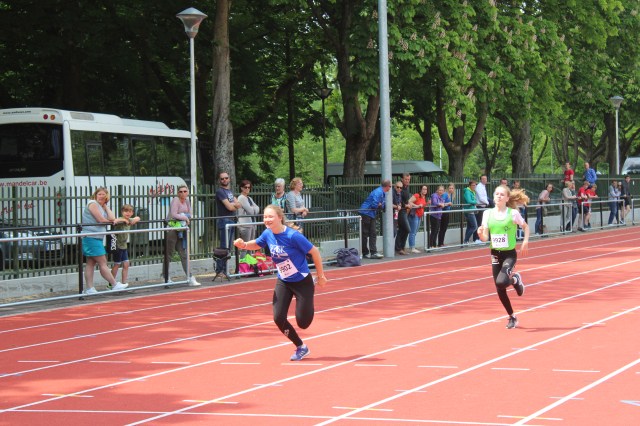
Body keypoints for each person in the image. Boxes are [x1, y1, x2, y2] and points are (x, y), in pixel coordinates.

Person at [233, 204, 327, 361]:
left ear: (279, 218)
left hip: (302, 281)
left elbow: (314, 252)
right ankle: (301, 347)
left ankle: (307, 300)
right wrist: (244, 245)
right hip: (284, 280)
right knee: (278, 318)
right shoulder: (267, 233)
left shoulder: (292, 236)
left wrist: (321, 275)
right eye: (265, 217)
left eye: (270, 216)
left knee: (303, 323)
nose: (267, 220)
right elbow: (257, 243)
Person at [477, 185, 530, 329]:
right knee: (499, 287)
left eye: (502, 194)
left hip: (509, 254)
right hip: (495, 253)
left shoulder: (513, 213)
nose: (498, 196)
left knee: (501, 281)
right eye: (496, 194)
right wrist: (480, 234)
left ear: (507, 198)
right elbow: (485, 237)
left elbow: (525, 227)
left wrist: (525, 242)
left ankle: (515, 279)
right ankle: (512, 317)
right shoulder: (487, 214)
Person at [81, 187, 128, 294]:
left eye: (104, 195)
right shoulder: (92, 203)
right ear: (95, 195)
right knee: (103, 262)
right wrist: (113, 222)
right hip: (91, 237)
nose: (101, 196)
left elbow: (112, 217)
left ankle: (89, 289)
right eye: (99, 194)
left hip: (96, 237)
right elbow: (101, 220)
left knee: (91, 263)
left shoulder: (102, 207)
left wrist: (105, 206)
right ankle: (114, 284)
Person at [166, 184, 200, 286]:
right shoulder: (175, 200)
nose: (183, 193)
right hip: (172, 229)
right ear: (178, 193)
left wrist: (185, 217)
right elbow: (174, 214)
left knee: (184, 254)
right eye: (180, 191)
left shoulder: (187, 201)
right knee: (169, 254)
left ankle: (190, 277)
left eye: (185, 191)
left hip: (182, 230)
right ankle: (166, 277)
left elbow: (190, 214)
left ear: (188, 192)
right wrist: (185, 217)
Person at [358, 179, 391, 259]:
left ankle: (373, 252)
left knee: (373, 233)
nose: (390, 188)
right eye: (390, 186)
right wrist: (379, 205)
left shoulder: (382, 193)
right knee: (365, 233)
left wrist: (381, 205)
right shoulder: (378, 192)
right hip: (366, 212)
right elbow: (374, 204)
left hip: (371, 214)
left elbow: (381, 205)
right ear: (387, 186)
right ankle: (365, 252)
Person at [110, 204, 141, 287]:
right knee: (117, 264)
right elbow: (116, 220)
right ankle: (110, 284)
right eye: (126, 211)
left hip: (124, 245)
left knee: (126, 264)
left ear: (132, 213)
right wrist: (123, 220)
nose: (128, 213)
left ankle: (124, 283)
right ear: (122, 212)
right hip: (117, 245)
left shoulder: (129, 220)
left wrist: (134, 219)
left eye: (130, 211)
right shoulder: (121, 220)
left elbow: (138, 218)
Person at [216, 171, 242, 250]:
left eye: (226, 178)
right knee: (225, 246)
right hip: (224, 220)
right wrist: (234, 205)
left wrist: (233, 205)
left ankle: (227, 258)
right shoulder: (220, 191)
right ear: (219, 181)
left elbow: (239, 204)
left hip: (232, 219)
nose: (224, 180)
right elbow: (229, 207)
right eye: (222, 179)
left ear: (229, 179)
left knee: (229, 246)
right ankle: (223, 259)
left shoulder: (230, 191)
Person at [237, 179, 260, 256]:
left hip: (252, 224)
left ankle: (249, 261)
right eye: (245, 187)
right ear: (241, 188)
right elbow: (251, 212)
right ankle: (243, 262)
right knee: (244, 246)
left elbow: (258, 209)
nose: (247, 189)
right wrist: (253, 208)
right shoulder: (241, 198)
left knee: (251, 246)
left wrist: (253, 209)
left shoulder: (249, 198)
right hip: (245, 225)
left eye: (249, 187)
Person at [408, 185, 429, 253]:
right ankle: (412, 247)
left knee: (415, 231)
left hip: (419, 216)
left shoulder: (424, 197)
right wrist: (417, 206)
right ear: (420, 190)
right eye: (423, 189)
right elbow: (409, 201)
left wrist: (427, 203)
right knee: (413, 232)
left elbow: (422, 206)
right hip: (414, 215)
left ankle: (412, 246)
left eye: (426, 189)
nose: (424, 190)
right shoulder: (417, 195)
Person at [394, 173, 412, 255]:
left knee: (402, 229)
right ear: (402, 179)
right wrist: (406, 205)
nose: (407, 181)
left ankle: (400, 248)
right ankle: (399, 248)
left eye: (408, 179)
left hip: (404, 211)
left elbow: (406, 199)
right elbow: (399, 199)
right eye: (406, 179)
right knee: (407, 229)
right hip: (400, 211)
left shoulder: (407, 187)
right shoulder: (400, 187)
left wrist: (409, 204)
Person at [437, 183, 455, 247]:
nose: (451, 189)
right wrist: (448, 204)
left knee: (444, 228)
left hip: (447, 212)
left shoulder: (451, 195)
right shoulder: (445, 194)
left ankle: (441, 242)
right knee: (442, 228)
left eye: (452, 188)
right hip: (444, 212)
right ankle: (440, 243)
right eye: (450, 188)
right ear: (447, 189)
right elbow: (442, 203)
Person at [463, 180, 479, 244]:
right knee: (474, 226)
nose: (474, 186)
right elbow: (469, 201)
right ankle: (465, 240)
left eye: (475, 185)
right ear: (469, 186)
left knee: (469, 226)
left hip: (471, 210)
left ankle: (465, 241)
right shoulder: (467, 192)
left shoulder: (472, 191)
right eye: (473, 185)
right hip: (469, 211)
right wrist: (475, 202)